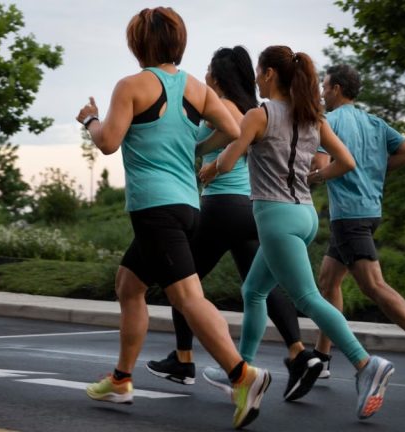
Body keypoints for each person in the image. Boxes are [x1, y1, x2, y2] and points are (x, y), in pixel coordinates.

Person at [75, 8, 271, 429]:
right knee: (130, 285)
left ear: (138, 43)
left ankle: (243, 375)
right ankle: (122, 379)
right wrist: (197, 149)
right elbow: (236, 129)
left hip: (154, 208)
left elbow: (108, 142)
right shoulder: (196, 89)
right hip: (187, 205)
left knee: (186, 297)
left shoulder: (131, 86)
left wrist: (89, 119)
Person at [200, 45, 395, 420]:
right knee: (253, 290)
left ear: (270, 74)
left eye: (258, 71)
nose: (255, 77)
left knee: (307, 298)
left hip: (275, 216)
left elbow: (228, 157)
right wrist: (314, 177)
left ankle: (366, 364)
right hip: (305, 215)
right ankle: (242, 370)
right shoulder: (312, 117)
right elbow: (347, 162)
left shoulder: (260, 115)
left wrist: (210, 170)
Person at [144, 46, 322, 402]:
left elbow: (210, 141)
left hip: (222, 207)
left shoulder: (224, 108)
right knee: (260, 287)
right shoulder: (251, 108)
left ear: (218, 76)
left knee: (182, 281)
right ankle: (299, 352)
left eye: (210, 70)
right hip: (250, 210)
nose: (206, 74)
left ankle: (183, 360)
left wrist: (196, 150)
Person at [313, 64, 405, 387]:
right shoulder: (374, 122)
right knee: (328, 280)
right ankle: (321, 357)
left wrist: (310, 176)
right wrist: (376, 170)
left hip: (349, 215)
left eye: (324, 87)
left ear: (336, 90)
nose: (321, 93)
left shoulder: (329, 122)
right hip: (369, 211)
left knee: (373, 285)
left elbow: (320, 166)